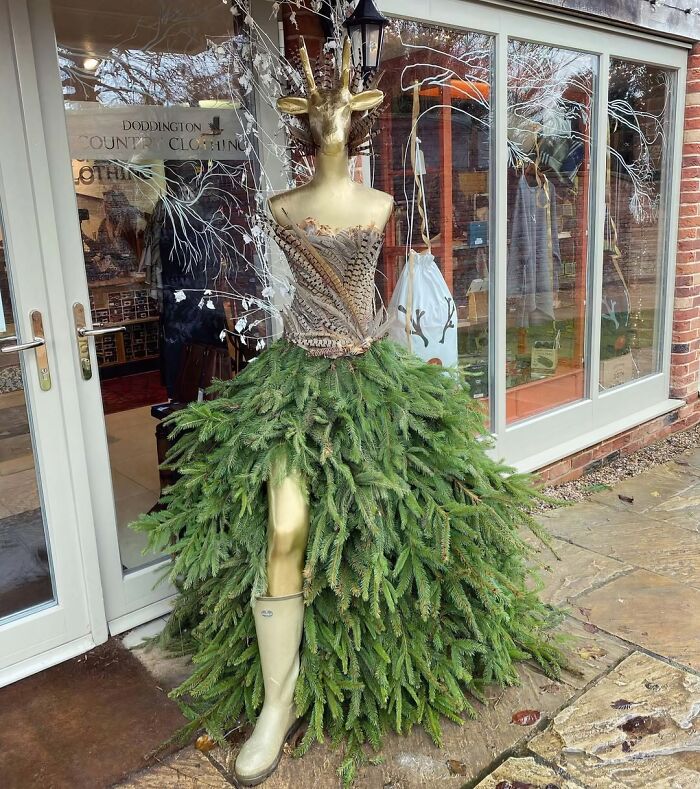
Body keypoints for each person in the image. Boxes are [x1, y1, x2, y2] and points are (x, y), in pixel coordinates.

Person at [132, 38, 561, 787]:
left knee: (406, 509)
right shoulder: (281, 204)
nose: (330, 116)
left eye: (342, 103)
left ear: (357, 116)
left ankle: (408, 645)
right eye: (316, 106)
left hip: (371, 373)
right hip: (297, 382)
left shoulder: (384, 200)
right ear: (302, 119)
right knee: (285, 527)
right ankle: (277, 699)